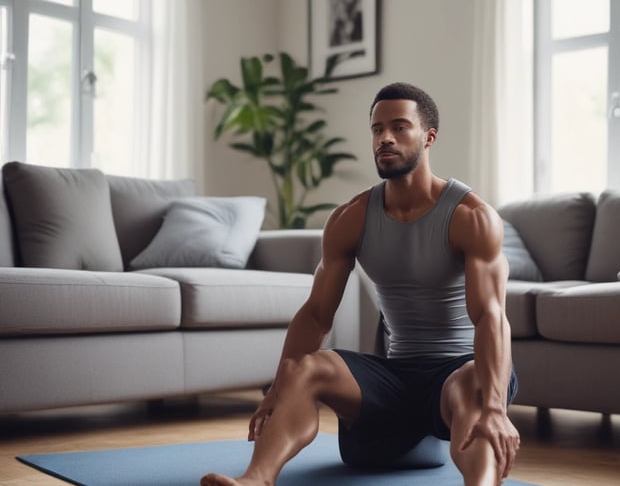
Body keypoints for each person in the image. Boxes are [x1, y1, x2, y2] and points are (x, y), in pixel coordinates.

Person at [200, 82, 520, 486]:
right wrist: (280, 390)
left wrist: (495, 406)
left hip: (457, 373)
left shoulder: (470, 216)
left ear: (429, 137)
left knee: (473, 383)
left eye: (400, 127)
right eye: (377, 128)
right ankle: (256, 480)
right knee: (306, 368)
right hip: (396, 374)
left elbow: (491, 316)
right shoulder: (350, 217)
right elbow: (316, 314)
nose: (385, 137)